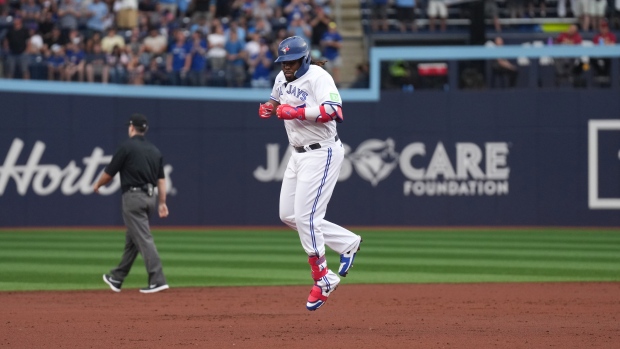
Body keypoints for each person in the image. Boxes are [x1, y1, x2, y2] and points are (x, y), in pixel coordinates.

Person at [257, 36, 362, 311]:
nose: (286, 66)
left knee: (307, 217)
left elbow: (334, 111)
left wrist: (297, 111)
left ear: (304, 58)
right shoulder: (282, 78)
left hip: (322, 152)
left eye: (291, 61)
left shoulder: (319, 77)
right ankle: (347, 242)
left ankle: (323, 276)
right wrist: (269, 108)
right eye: (283, 61)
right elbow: (274, 100)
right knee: (288, 215)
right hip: (298, 153)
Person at [94, 113, 170, 294]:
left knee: (143, 238)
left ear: (131, 127)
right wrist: (162, 203)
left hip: (133, 198)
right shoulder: (154, 150)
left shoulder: (126, 147)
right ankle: (117, 277)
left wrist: (98, 184)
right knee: (133, 239)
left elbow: (109, 172)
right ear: (145, 130)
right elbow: (161, 180)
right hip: (150, 198)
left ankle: (158, 279)